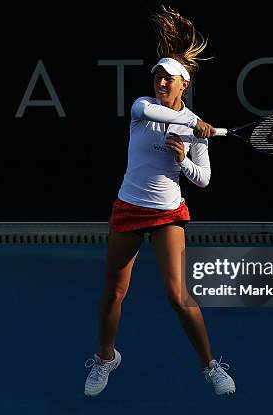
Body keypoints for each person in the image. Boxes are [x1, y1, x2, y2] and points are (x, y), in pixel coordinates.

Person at [84, 5, 236, 397]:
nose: (161, 84)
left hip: (168, 212)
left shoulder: (195, 130)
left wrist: (184, 158)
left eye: (169, 79)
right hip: (129, 207)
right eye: (158, 78)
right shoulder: (142, 109)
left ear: (184, 84)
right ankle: (105, 358)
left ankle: (210, 365)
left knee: (178, 294)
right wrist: (194, 124)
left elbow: (203, 181)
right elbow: (152, 109)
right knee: (114, 292)